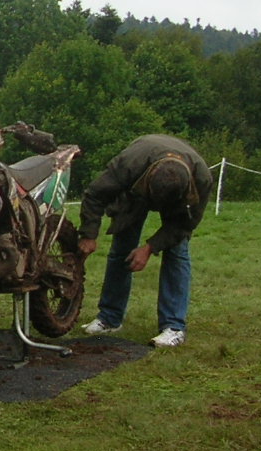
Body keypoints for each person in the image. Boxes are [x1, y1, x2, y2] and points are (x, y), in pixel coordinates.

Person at [77, 134, 214, 348]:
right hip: (135, 193)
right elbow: (95, 195)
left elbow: (184, 225)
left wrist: (149, 248)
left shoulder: (201, 179)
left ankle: (174, 327)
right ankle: (109, 318)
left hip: (179, 205)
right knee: (121, 250)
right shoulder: (130, 164)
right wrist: (89, 235)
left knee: (177, 253)